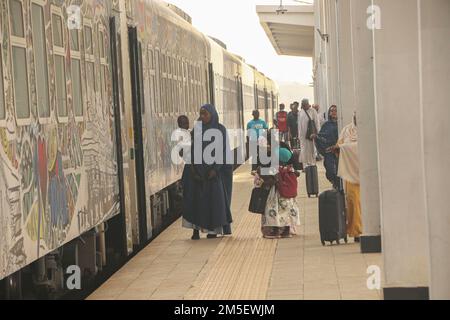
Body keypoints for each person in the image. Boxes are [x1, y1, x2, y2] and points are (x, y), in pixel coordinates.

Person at [181, 104, 233, 240]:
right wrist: (193, 169)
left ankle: (213, 230)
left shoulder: (220, 130)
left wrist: (215, 170)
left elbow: (223, 151)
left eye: (205, 114)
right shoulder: (197, 130)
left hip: (213, 173)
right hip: (196, 173)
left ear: (212, 115)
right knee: (195, 202)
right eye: (201, 114)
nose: (202, 117)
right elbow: (189, 150)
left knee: (214, 202)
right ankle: (196, 230)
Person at [255, 147, 301, 239]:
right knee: (285, 213)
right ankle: (285, 231)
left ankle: (273, 231)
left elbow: (261, 175)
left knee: (272, 211)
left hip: (275, 196)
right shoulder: (290, 169)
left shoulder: (274, 169)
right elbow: (297, 174)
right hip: (288, 197)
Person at [336, 112, 362, 242]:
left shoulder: (370, 130)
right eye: (356, 115)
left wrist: (345, 148)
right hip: (351, 174)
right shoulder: (346, 130)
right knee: (353, 202)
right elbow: (338, 147)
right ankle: (356, 231)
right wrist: (340, 148)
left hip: (368, 175)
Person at [315, 105, 339, 188]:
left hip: (340, 152)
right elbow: (322, 136)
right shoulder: (326, 125)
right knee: (330, 171)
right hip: (329, 152)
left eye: (335, 110)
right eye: (331, 111)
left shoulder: (341, 123)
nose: (333, 112)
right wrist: (316, 137)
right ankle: (335, 183)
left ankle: (338, 186)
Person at [298, 99, 321, 167]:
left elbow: (317, 123)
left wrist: (317, 133)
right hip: (303, 136)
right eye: (303, 105)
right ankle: (305, 166)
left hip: (311, 135)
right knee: (304, 150)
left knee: (312, 149)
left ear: (308, 104)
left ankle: (312, 164)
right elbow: (299, 125)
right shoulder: (300, 112)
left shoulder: (313, 111)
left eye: (305, 105)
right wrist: (299, 135)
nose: (304, 106)